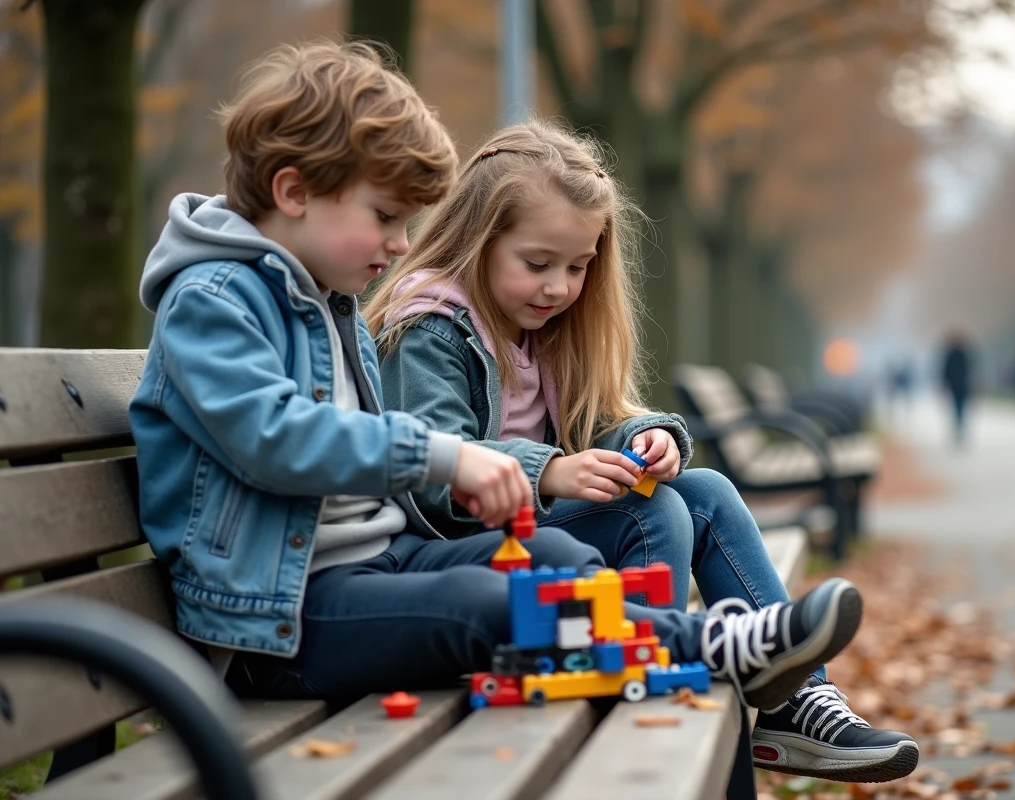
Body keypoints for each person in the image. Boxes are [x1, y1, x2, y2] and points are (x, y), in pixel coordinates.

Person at [127, 39, 864, 739]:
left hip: (376, 565)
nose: (402, 243)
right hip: (277, 621)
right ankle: (714, 647)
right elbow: (274, 438)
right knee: (495, 603)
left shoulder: (325, 300)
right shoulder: (213, 299)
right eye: (385, 217)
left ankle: (743, 667)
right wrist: (450, 457)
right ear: (293, 191)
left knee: (562, 562)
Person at [363, 120, 918, 782]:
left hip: (532, 537)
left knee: (704, 493)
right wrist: (552, 473)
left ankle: (797, 703)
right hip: (461, 551)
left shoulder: (541, 328)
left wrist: (643, 440)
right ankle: (651, 692)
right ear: (478, 240)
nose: (559, 288)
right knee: (650, 517)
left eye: (577, 267)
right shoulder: (432, 326)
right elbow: (433, 467)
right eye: (538, 264)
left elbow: (595, 419)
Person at [939, 328, 974, 448]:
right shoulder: (950, 354)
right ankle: (958, 428)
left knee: (961, 408)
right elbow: (945, 371)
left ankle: (960, 428)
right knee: (956, 407)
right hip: (955, 386)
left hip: (963, 386)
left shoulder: (965, 354)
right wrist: (944, 384)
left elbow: (971, 370)